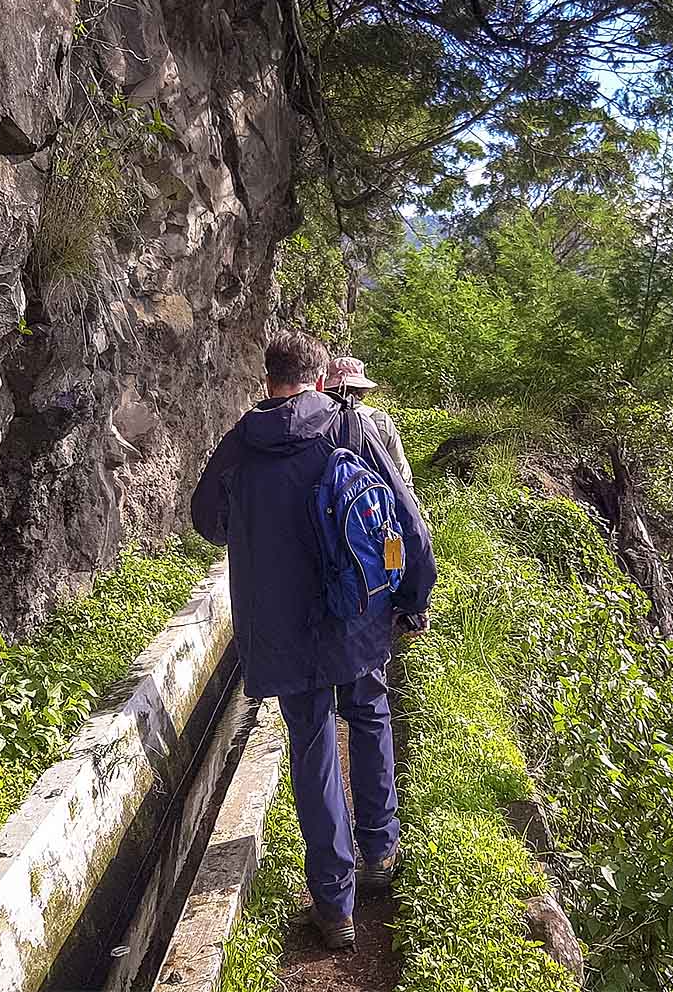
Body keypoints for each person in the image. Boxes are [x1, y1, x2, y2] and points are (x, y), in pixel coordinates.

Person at [190, 331, 437, 951]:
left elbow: (205, 519)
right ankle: (380, 852)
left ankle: (335, 903)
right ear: (320, 377)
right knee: (370, 715)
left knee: (313, 744)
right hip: (355, 613)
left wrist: (251, 533)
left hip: (282, 627)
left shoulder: (241, 444)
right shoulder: (351, 429)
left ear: (268, 378)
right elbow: (406, 521)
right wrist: (412, 600)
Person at [323, 356, 414, 489]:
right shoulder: (379, 419)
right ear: (362, 390)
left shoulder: (317, 418)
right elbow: (399, 467)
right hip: (373, 497)